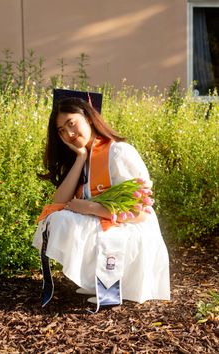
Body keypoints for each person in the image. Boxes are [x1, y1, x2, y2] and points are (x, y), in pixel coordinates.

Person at [33, 89, 170, 310]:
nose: (69, 133)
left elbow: (140, 213)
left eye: (71, 123)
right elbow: (55, 205)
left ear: (88, 117)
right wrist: (80, 158)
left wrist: (89, 207)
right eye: (61, 130)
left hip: (134, 232)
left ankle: (112, 283)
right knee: (55, 219)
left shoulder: (118, 153)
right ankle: (94, 279)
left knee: (65, 219)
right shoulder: (83, 159)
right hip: (107, 226)